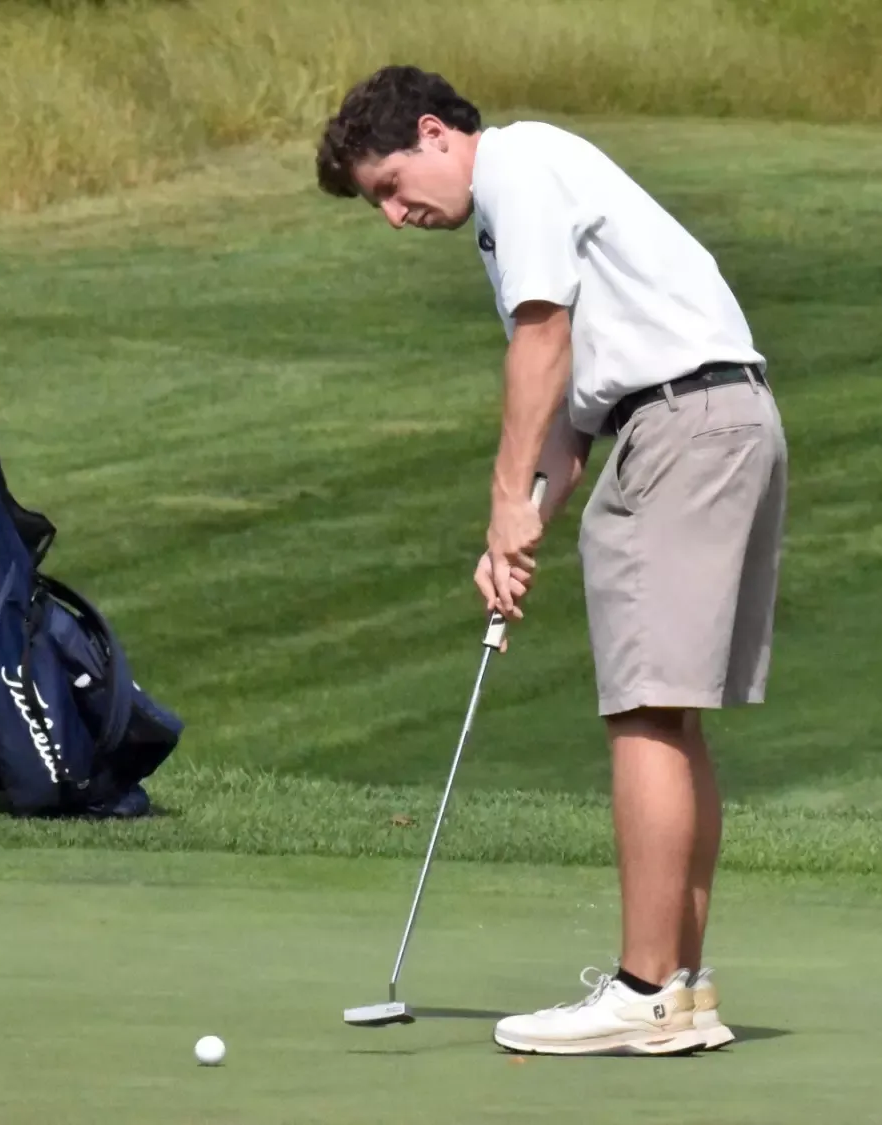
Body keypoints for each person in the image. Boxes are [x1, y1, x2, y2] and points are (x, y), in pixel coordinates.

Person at [315, 65, 790, 1056]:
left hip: (680, 426)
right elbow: (570, 412)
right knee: (668, 713)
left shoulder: (518, 166)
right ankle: (682, 990)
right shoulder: (517, 200)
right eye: (378, 206)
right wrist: (522, 526)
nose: (395, 216)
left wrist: (501, 501)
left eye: (391, 186)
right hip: (696, 420)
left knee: (645, 710)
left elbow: (541, 342)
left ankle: (644, 991)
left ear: (439, 133)